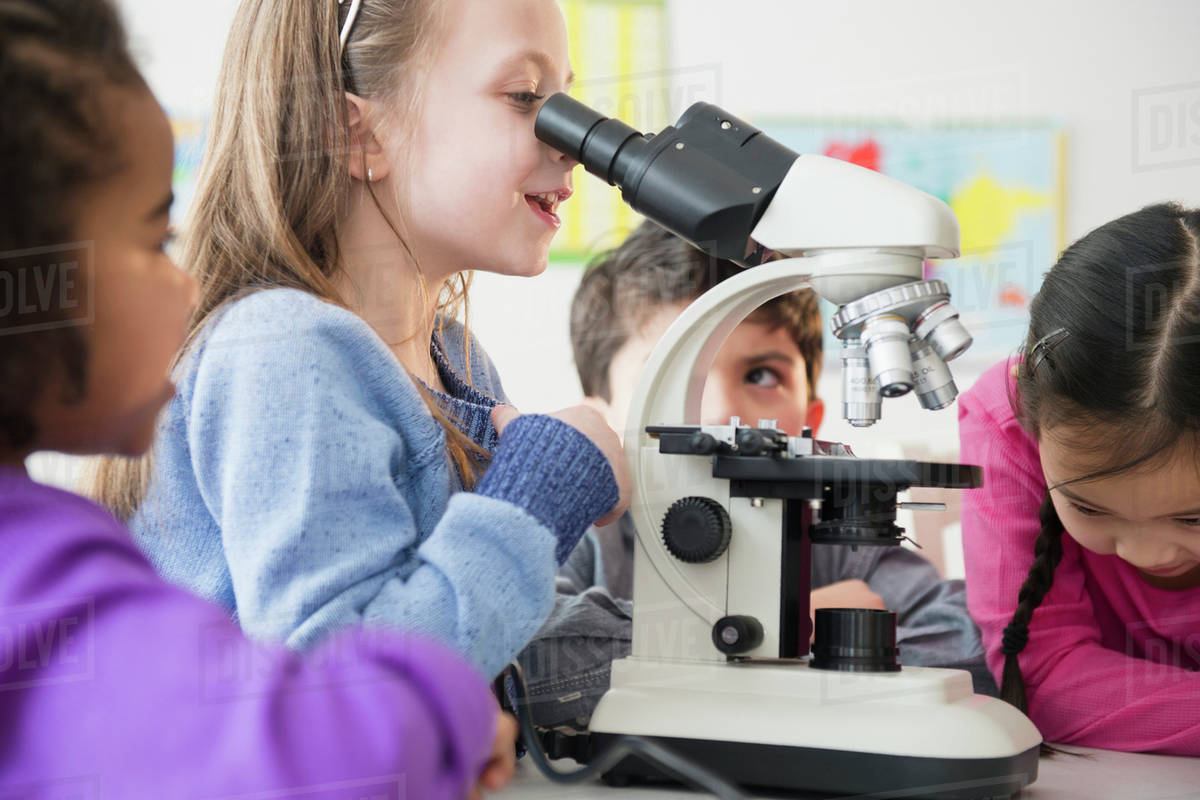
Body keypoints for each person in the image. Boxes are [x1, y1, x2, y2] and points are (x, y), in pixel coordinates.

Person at [0, 1, 517, 796]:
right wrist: (450, 708)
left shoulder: (47, 549)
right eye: (151, 239)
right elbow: (334, 756)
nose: (186, 285)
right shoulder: (34, 580)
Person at [90, 0, 629, 682]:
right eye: (525, 97)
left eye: (567, 100)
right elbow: (341, 694)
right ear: (357, 135)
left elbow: (496, 633)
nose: (572, 140)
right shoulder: (282, 352)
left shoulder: (455, 358)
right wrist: (543, 490)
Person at [518, 220, 995, 731]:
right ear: (606, 426)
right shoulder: (590, 538)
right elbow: (524, 654)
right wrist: (789, 632)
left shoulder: (843, 545)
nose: (724, 411)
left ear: (811, 422)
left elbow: (971, 649)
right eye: (677, 376)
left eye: (761, 375)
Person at [960, 203, 1200, 755]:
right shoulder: (1006, 423)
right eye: (1091, 508)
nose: (1147, 553)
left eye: (1191, 516)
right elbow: (1042, 680)